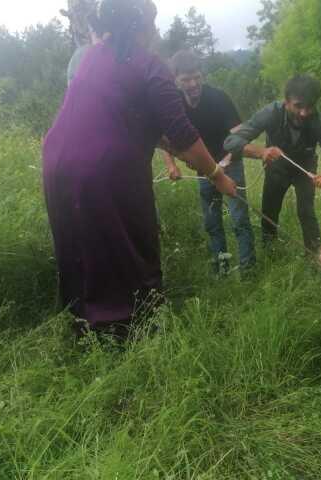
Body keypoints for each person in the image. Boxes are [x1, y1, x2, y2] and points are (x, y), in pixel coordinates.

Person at [42, 0, 237, 338]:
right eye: (154, 23)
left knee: (80, 239)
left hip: (57, 162)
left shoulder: (92, 57)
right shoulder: (150, 66)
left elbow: (136, 123)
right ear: (140, 26)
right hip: (106, 170)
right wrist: (217, 176)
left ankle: (84, 321)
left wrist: (176, 149)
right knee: (129, 240)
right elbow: (183, 134)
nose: (157, 32)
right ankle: (133, 327)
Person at [224, 74, 321, 253]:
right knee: (269, 212)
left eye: (310, 106)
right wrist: (262, 152)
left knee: (306, 212)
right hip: (276, 168)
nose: (304, 113)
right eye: (298, 106)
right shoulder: (271, 112)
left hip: (305, 169)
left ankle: (315, 256)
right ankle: (269, 251)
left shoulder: (319, 122)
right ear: (286, 101)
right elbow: (231, 141)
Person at [163, 50, 256, 276]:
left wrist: (224, 162)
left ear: (202, 75)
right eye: (186, 79)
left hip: (229, 162)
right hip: (204, 169)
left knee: (239, 218)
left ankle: (248, 271)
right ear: (176, 79)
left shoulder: (219, 98)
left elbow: (239, 136)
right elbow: (164, 138)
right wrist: (171, 166)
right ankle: (222, 269)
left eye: (197, 77)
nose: (193, 83)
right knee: (212, 222)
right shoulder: (173, 103)